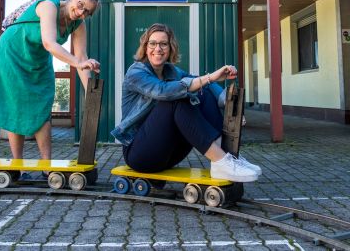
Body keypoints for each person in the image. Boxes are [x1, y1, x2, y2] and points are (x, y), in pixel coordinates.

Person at [111, 23, 261, 182]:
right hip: (140, 154)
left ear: (170, 48)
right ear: (145, 46)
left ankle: (229, 156)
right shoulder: (136, 71)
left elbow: (200, 82)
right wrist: (210, 77)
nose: (158, 48)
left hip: (169, 153)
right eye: (152, 43)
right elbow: (163, 91)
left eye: (163, 44)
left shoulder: (171, 71)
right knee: (177, 99)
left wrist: (225, 102)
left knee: (200, 90)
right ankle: (221, 162)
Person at [0, 0, 101, 179]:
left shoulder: (78, 24)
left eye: (87, 12)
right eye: (80, 6)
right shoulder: (48, 6)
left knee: (43, 105)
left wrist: (91, 94)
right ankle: (18, 165)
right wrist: (79, 62)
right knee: (16, 106)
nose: (81, 13)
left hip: (38, 59)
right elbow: (49, 43)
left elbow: (82, 58)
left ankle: (47, 167)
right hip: (12, 53)